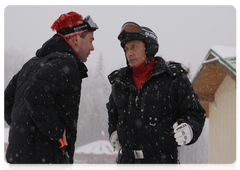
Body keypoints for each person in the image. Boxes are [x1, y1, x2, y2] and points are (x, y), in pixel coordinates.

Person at [1, 11, 98, 170]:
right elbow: (34, 94)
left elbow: (7, 101)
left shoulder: (31, 63)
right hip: (46, 162)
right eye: (90, 40)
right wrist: (56, 132)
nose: (92, 47)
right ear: (75, 38)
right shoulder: (65, 62)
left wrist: (25, 130)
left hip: (20, 161)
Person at [106, 22, 206, 170]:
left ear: (149, 48)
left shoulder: (174, 79)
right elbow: (113, 113)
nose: (129, 53)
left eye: (134, 47)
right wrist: (113, 131)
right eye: (126, 49)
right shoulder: (119, 82)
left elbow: (195, 112)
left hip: (162, 162)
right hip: (127, 163)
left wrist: (190, 128)